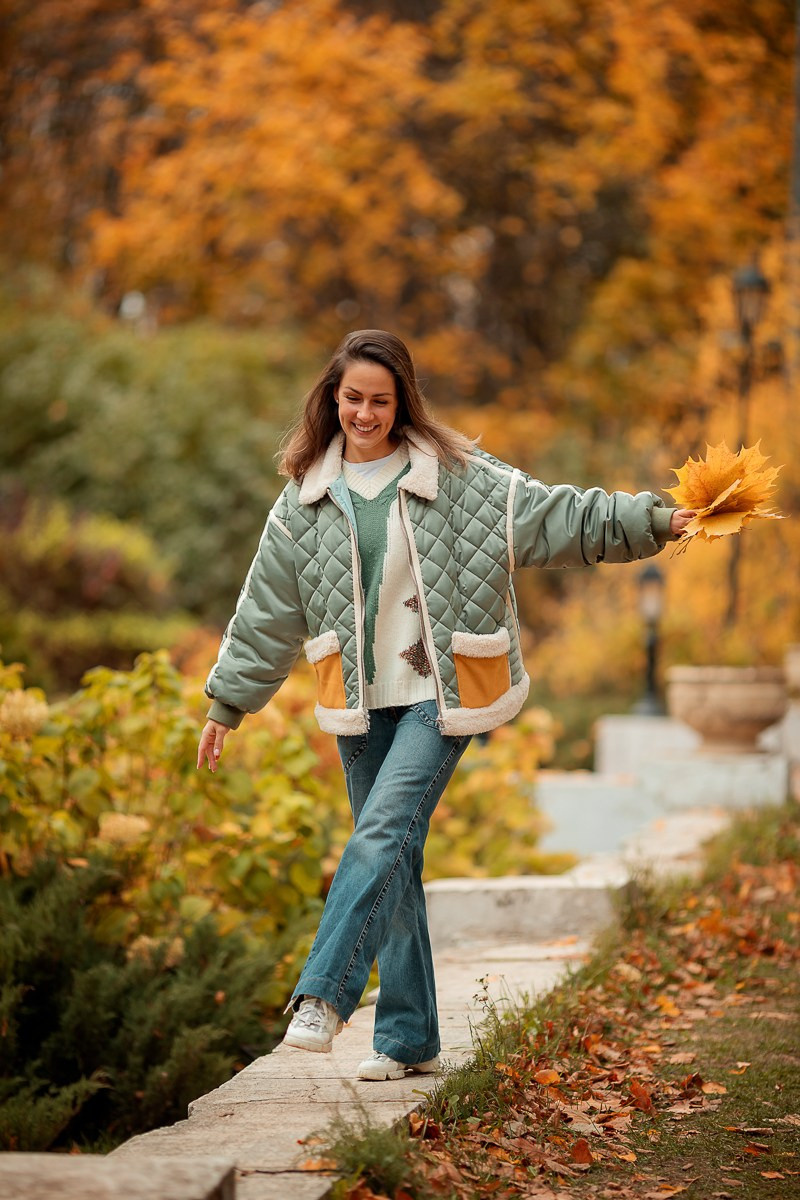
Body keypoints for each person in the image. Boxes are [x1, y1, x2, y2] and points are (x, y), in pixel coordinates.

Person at [197, 329, 695, 1082]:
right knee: (394, 862)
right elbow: (266, 611)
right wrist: (227, 704)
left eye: (380, 400)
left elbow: (560, 516)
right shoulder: (301, 502)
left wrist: (655, 520)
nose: (365, 413)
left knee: (381, 832)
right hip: (362, 703)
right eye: (353, 398)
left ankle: (323, 997)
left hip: (443, 690)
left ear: (403, 404)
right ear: (332, 399)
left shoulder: (463, 478)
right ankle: (408, 1038)